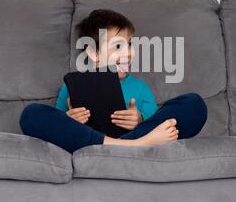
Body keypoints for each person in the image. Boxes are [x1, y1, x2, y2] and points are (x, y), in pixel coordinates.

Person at [19, 9, 207, 153]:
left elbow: (159, 127)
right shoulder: (72, 87)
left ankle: (126, 144)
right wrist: (69, 119)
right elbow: (57, 131)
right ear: (93, 52)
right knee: (31, 114)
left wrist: (140, 121)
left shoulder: (140, 88)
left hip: (117, 143)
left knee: (194, 104)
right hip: (101, 145)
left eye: (130, 44)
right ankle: (131, 146)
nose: (128, 52)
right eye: (118, 46)